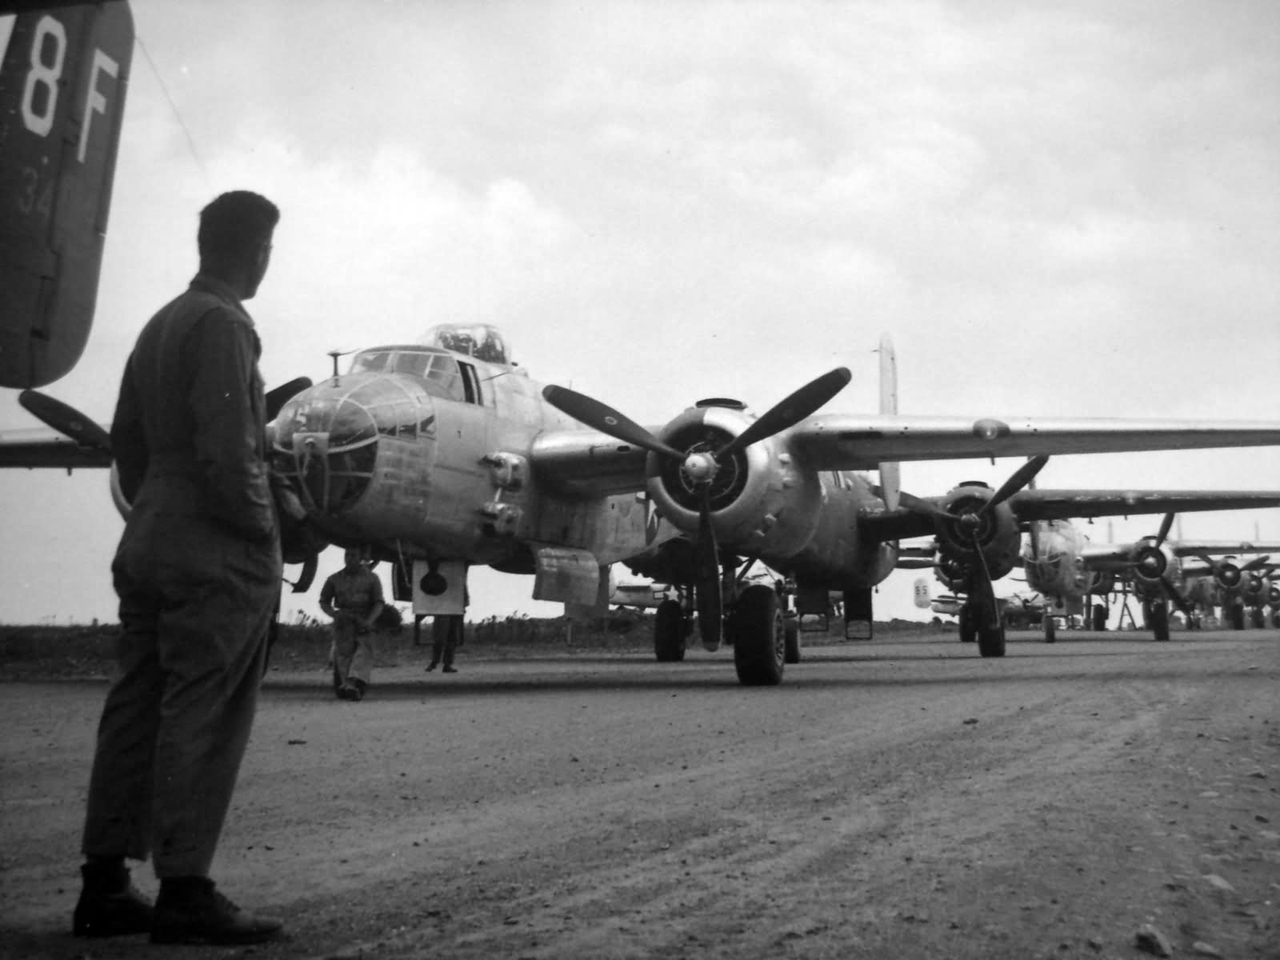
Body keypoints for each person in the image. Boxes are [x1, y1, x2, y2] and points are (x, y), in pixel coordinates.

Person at [73, 191, 286, 945]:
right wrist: (263, 534)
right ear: (255, 249)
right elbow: (231, 450)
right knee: (205, 705)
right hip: (216, 541)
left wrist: (156, 506)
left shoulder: (161, 322)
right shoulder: (226, 324)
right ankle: (186, 887)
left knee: (134, 704)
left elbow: (125, 440)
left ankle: (103, 885)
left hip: (150, 528)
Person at [319, 548, 385, 700]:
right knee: (343, 654)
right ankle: (347, 685)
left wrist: (370, 621)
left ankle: (351, 683)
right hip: (344, 620)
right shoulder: (334, 579)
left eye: (353, 555)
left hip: (364, 618)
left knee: (363, 651)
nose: (349, 558)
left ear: (360, 558)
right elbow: (324, 601)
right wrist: (334, 614)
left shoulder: (372, 578)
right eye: (347, 555)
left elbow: (379, 602)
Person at [427, 587, 468, 673]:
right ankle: (437, 662)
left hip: (450, 610)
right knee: (441, 638)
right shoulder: (456, 578)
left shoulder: (457, 580)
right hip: (446, 609)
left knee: (450, 638)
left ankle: (442, 663)